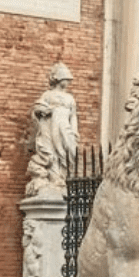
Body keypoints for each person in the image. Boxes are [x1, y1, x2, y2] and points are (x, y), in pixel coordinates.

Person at [26, 63, 79, 196]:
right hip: (52, 127)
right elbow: (37, 110)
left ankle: (64, 176)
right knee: (52, 152)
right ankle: (55, 178)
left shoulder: (70, 98)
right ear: (59, 79)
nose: (67, 82)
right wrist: (42, 111)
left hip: (65, 129)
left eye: (68, 80)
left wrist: (74, 131)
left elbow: (73, 117)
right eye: (65, 79)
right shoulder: (48, 95)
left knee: (68, 153)